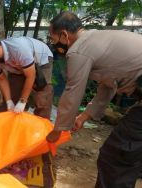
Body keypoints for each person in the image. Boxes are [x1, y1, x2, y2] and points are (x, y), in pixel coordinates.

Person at [45, 11, 142, 188]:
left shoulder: (79, 50)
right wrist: (84, 117)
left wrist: (58, 130)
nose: (55, 44)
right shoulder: (97, 39)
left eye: (54, 39)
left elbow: (73, 91)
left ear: (64, 35)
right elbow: (108, 86)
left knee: (116, 155)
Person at [0, 33, 54, 119]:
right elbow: (1, 78)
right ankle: (17, 125)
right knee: (13, 98)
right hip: (16, 67)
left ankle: (42, 127)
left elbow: (31, 76)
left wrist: (23, 100)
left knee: (41, 98)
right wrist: (9, 101)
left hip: (41, 60)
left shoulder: (18, 49)